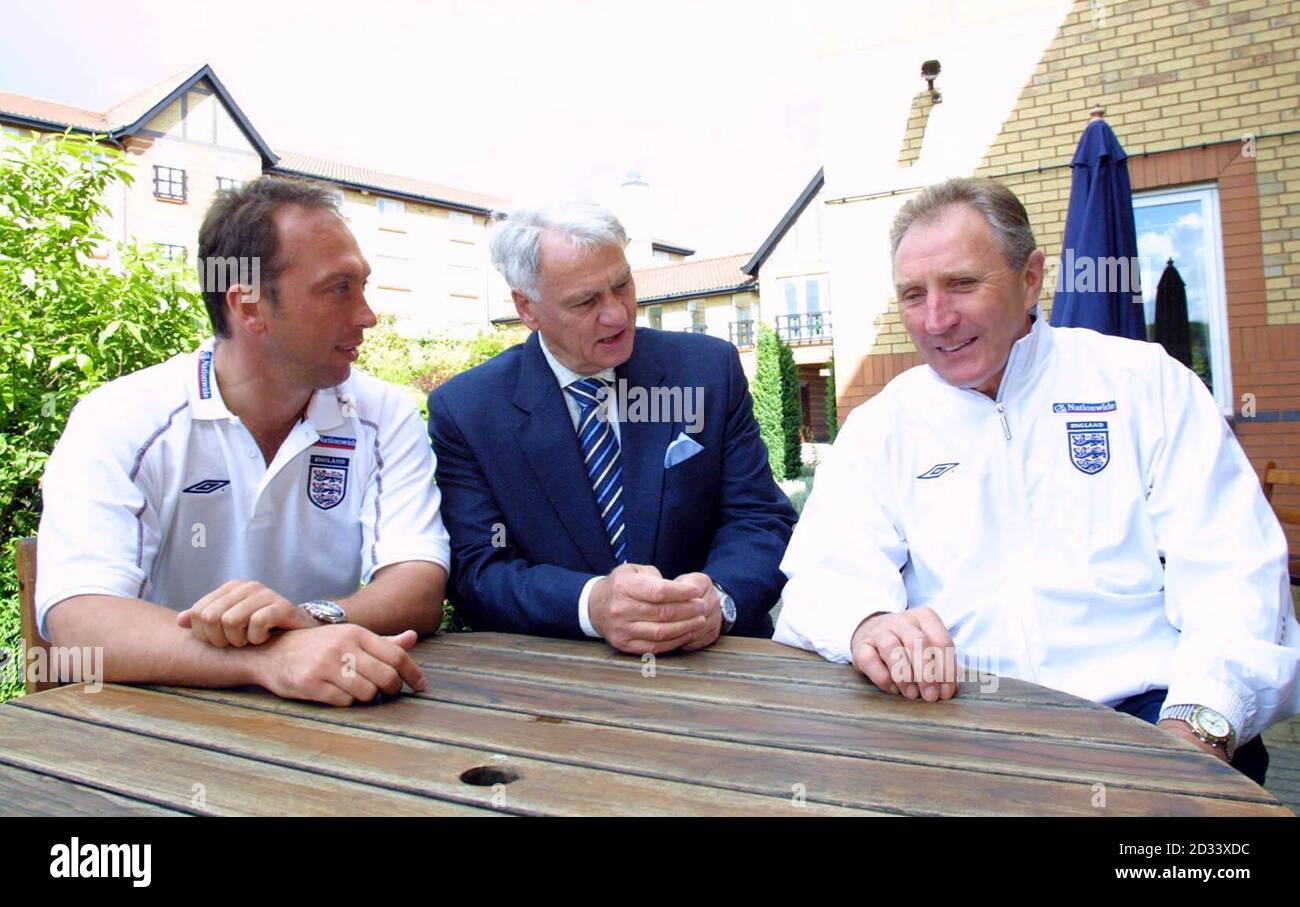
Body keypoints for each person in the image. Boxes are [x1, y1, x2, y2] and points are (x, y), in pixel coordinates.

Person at [774, 176, 1298, 784]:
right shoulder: (881, 426)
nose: (937, 319)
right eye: (913, 295)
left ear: (1030, 278)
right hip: (959, 726)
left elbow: (1234, 573)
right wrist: (867, 621)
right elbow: (821, 574)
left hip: (1149, 715)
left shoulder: (1143, 383)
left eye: (962, 284)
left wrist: (1196, 725)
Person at [35, 176, 450, 706]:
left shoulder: (383, 412)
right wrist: (267, 659)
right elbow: (78, 622)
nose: (367, 315)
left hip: (341, 719)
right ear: (249, 306)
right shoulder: (122, 418)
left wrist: (311, 617)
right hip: (157, 728)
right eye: (339, 289)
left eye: (363, 287)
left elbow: (418, 585)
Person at [427, 201, 796, 654]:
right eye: (586, 301)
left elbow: (758, 517)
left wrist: (718, 600)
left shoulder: (707, 370)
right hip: (563, 681)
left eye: (622, 285)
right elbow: (478, 569)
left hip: (716, 660)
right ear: (527, 307)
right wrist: (590, 605)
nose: (618, 315)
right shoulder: (467, 410)